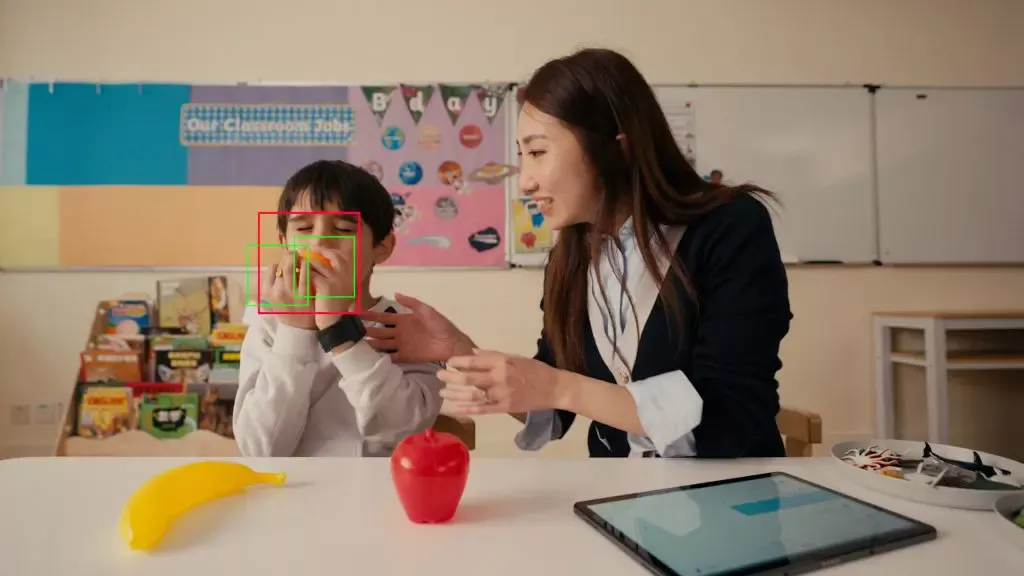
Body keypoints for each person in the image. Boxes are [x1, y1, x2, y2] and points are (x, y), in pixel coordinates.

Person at [362, 48, 792, 459]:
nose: (525, 181)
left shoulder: (730, 227)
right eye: (521, 156)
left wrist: (559, 387)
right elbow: (552, 400)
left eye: (537, 152)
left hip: (730, 500)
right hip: (620, 498)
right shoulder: (572, 257)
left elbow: (729, 415)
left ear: (616, 147)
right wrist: (459, 350)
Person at [233, 160, 444, 457]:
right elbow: (261, 449)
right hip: (291, 497)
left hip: (377, 496)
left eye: (343, 229)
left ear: (382, 247)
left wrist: (340, 331)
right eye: (304, 228)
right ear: (284, 243)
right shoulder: (270, 328)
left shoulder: (406, 327)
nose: (319, 241)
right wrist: (295, 332)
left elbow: (404, 433)